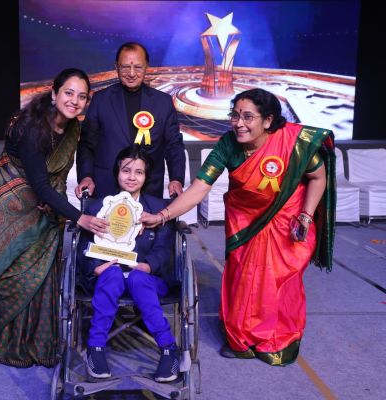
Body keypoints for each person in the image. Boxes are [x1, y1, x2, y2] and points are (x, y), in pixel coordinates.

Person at [141, 88, 335, 366]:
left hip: (287, 222)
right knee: (244, 280)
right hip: (244, 222)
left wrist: (306, 215)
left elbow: (317, 177)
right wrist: (162, 215)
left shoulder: (294, 143)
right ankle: (241, 338)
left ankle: (278, 340)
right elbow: (199, 188)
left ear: (268, 120)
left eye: (248, 117)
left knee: (279, 283)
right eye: (235, 116)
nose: (239, 123)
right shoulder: (227, 145)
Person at [0, 68, 109, 368]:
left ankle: (39, 340)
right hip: (13, 198)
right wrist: (78, 217)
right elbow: (39, 184)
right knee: (16, 272)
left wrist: (62, 194)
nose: (74, 101)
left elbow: (55, 175)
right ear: (54, 93)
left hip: (47, 198)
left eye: (82, 96)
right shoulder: (32, 127)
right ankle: (11, 341)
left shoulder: (73, 126)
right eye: (68, 93)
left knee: (44, 268)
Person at [77, 145, 180, 382]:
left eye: (139, 172)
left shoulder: (158, 210)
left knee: (137, 278)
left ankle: (168, 348)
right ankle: (96, 347)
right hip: (107, 274)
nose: (132, 177)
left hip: (146, 276)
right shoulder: (99, 207)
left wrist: (148, 266)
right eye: (126, 170)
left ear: (146, 176)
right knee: (112, 275)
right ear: (117, 173)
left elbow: (164, 247)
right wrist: (95, 267)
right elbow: (84, 244)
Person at [75, 41, 185, 200]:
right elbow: (86, 144)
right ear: (116, 67)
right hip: (107, 187)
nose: (132, 73)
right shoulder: (100, 100)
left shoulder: (163, 102)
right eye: (125, 67)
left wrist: (177, 178)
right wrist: (86, 176)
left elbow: (174, 145)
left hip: (149, 189)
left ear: (147, 67)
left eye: (138, 67)